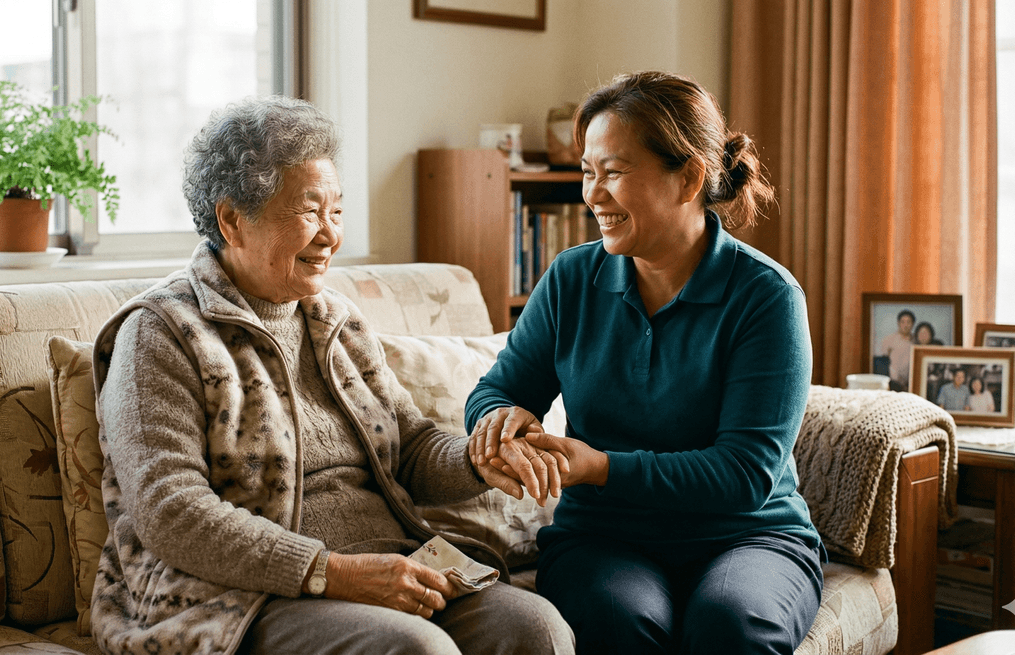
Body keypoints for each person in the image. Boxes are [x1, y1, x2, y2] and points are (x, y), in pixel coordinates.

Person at [89, 96, 573, 655]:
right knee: (417, 649)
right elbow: (172, 511)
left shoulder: (334, 321)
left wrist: (478, 459)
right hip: (239, 595)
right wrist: (331, 572)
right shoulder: (161, 333)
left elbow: (410, 448)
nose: (330, 236)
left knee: (535, 626)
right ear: (232, 220)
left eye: (336, 212)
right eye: (309, 211)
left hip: (387, 565)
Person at [466, 71, 824, 655]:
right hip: (603, 537)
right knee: (617, 622)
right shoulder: (571, 279)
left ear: (689, 178)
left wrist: (601, 468)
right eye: (588, 172)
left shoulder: (766, 297)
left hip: (747, 536)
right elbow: (498, 391)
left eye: (613, 172)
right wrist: (498, 421)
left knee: (729, 625)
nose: (593, 194)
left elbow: (744, 474)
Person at [878, 310, 916, 390]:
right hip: (893, 383)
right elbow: (882, 362)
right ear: (898, 323)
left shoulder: (916, 341)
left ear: (913, 324)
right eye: (903, 322)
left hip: (910, 383)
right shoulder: (889, 339)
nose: (906, 325)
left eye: (908, 322)